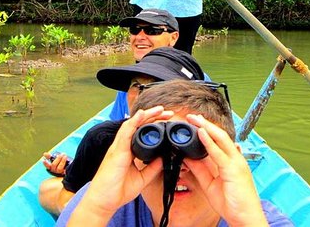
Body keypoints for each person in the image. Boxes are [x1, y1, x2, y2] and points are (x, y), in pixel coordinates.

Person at [55, 80, 293, 227]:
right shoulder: (102, 204)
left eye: (199, 146)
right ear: (132, 157)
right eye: (155, 147)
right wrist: (96, 210)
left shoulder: (262, 221)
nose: (176, 165)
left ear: (234, 161)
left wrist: (244, 223)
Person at [38, 47, 206, 216]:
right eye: (136, 85)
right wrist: (84, 213)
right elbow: (68, 193)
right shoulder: (103, 137)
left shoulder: (207, 141)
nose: (142, 94)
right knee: (47, 190)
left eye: (158, 86)